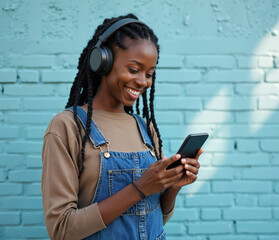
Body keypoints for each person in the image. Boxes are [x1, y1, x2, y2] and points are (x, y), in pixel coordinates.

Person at [41, 14, 203, 240]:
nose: (143, 82)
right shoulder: (67, 127)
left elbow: (153, 219)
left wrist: (173, 186)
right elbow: (61, 230)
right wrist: (140, 188)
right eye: (134, 69)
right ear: (102, 61)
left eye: (149, 74)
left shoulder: (146, 128)